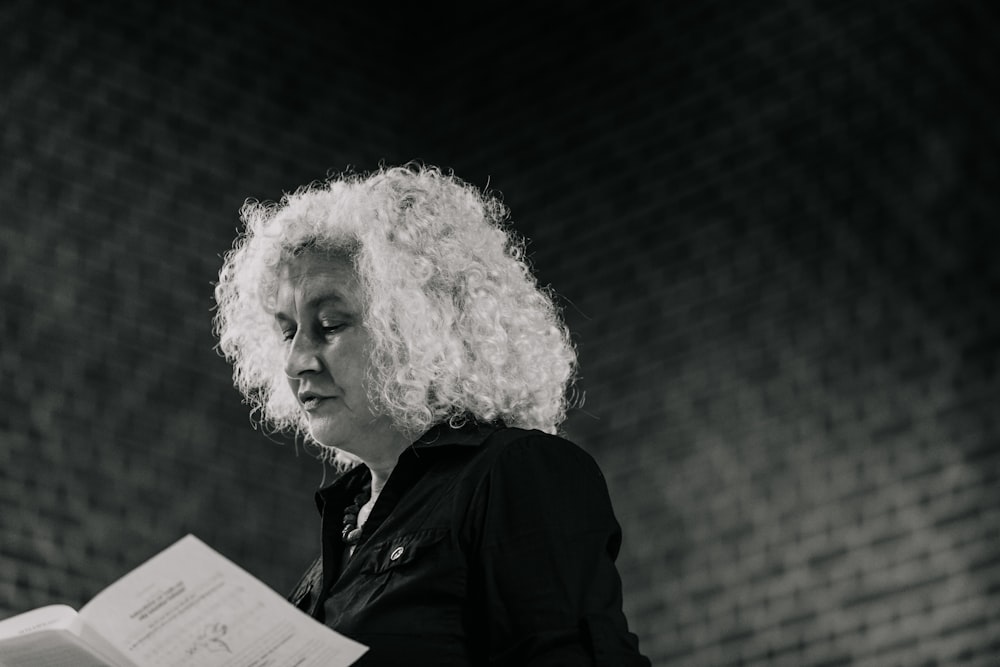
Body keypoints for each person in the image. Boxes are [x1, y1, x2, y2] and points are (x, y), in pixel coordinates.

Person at [213, 164, 650, 665]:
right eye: (287, 331)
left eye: (329, 324)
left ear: (422, 326)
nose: (296, 361)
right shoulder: (338, 542)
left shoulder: (513, 474)